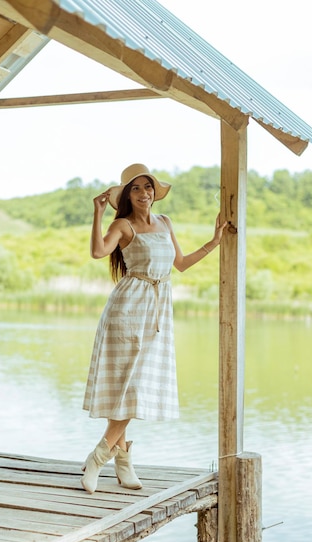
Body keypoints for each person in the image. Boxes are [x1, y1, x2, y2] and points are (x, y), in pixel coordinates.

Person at [81, 164, 227, 494]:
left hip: (157, 309)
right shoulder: (122, 224)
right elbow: (97, 251)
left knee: (136, 385)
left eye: (149, 187)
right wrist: (97, 214)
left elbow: (182, 263)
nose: (145, 193)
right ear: (127, 195)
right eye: (137, 188)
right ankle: (105, 458)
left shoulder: (165, 223)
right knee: (127, 386)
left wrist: (214, 241)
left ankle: (117, 457)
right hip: (127, 309)